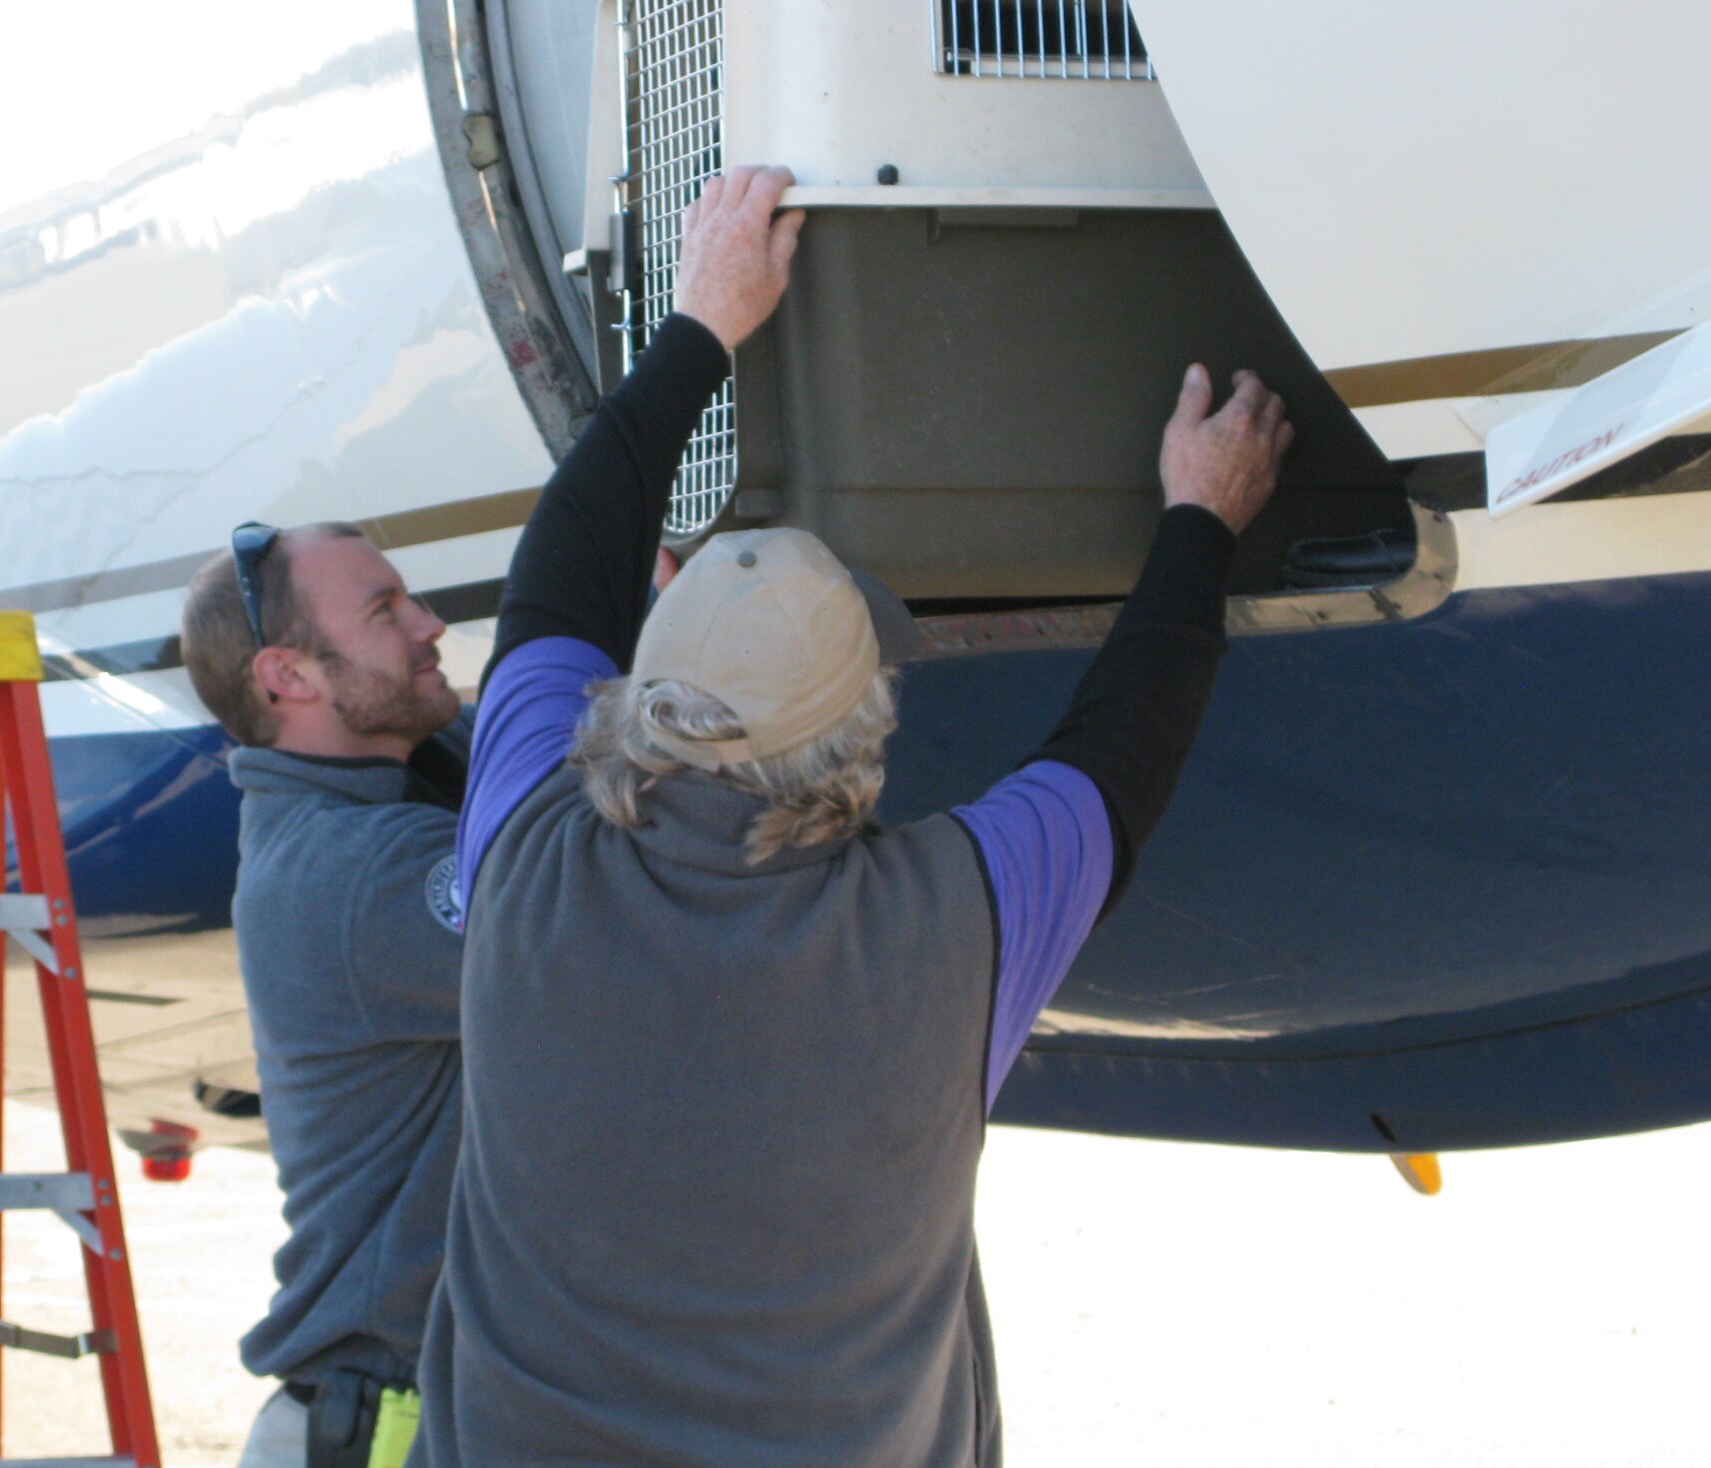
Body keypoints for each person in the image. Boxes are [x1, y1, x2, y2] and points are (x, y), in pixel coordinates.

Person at [407, 165, 1292, 1466]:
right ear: (863, 745)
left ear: (640, 681)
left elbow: (560, 571)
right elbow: (1124, 739)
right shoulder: (948, 927)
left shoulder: (526, 857)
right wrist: (1205, 512)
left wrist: (704, 322)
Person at [180, 521, 470, 1468]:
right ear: (288, 677)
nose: (428, 624)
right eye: (384, 610)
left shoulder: (410, 777)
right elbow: (590, 907)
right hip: (393, 1430)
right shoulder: (340, 875)